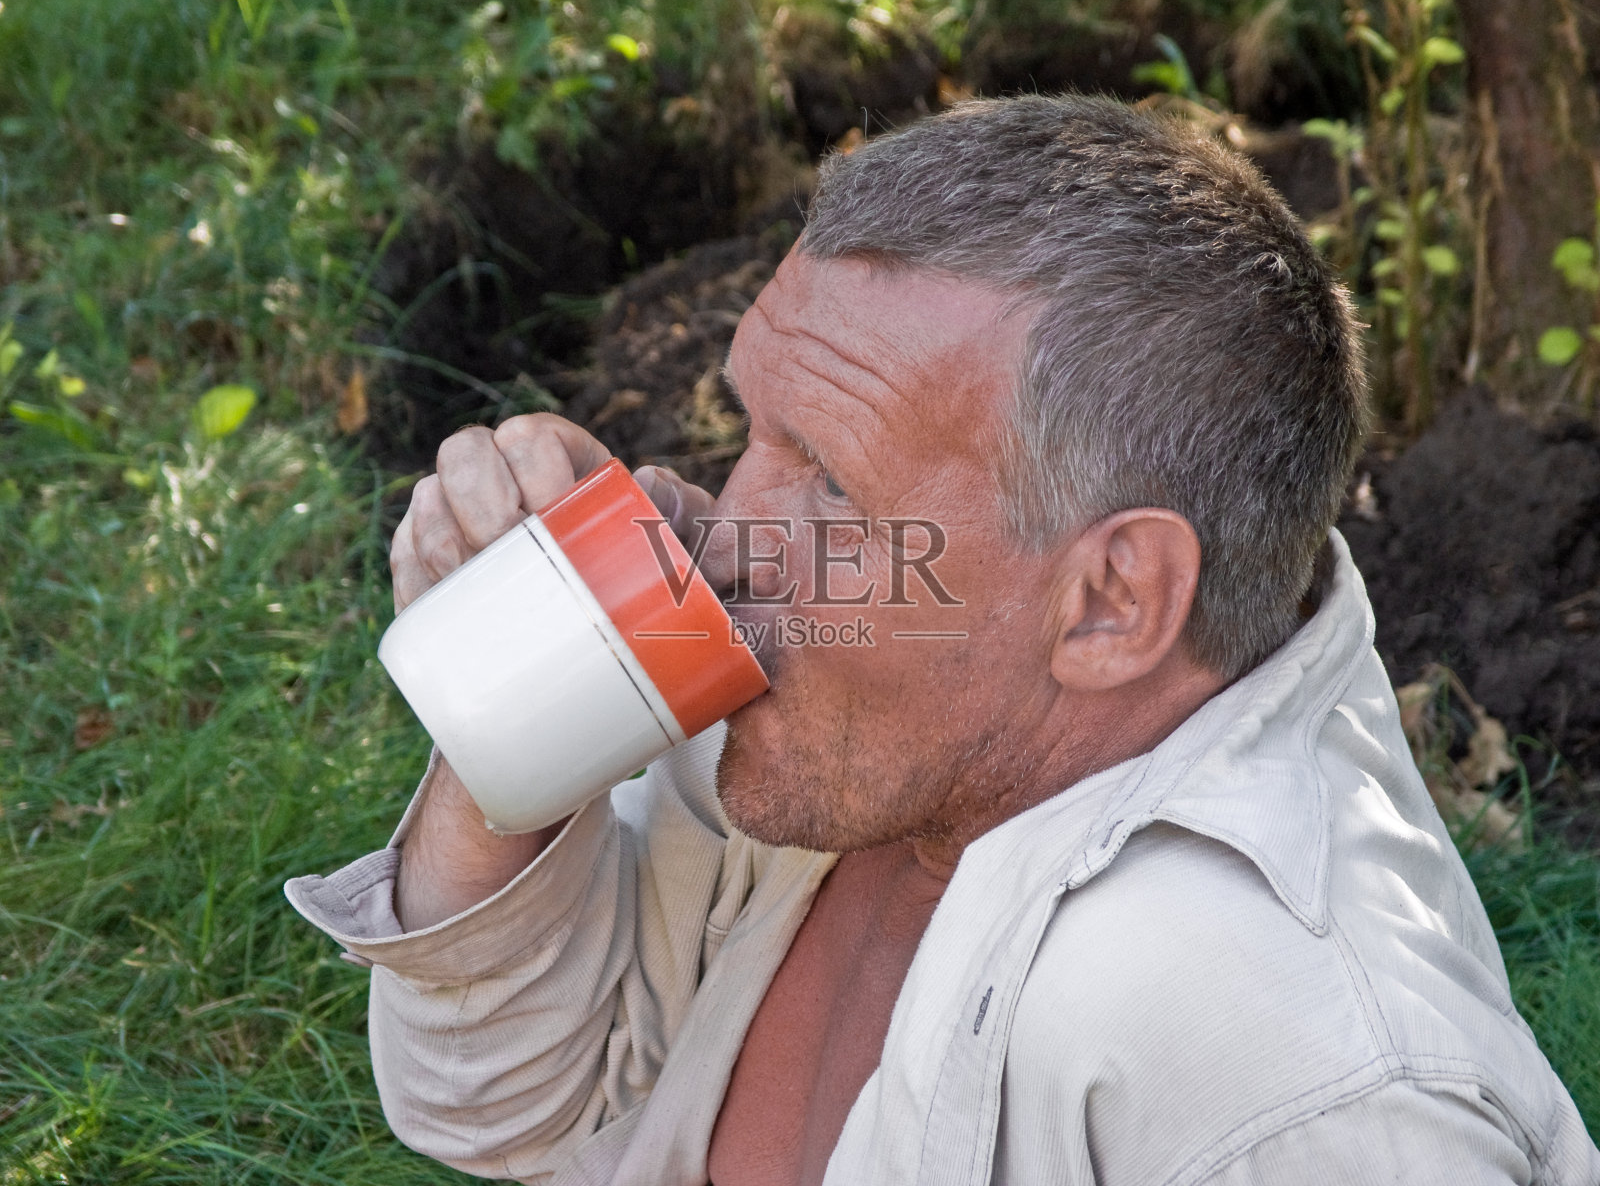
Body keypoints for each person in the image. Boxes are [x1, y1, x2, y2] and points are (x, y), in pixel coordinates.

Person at [286, 95, 1600, 1185]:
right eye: (752, 433)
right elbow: (523, 1108)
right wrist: (534, 704)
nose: (733, 533)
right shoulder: (882, 727)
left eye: (833, 488)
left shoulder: (1295, 1080)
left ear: (1111, 599)